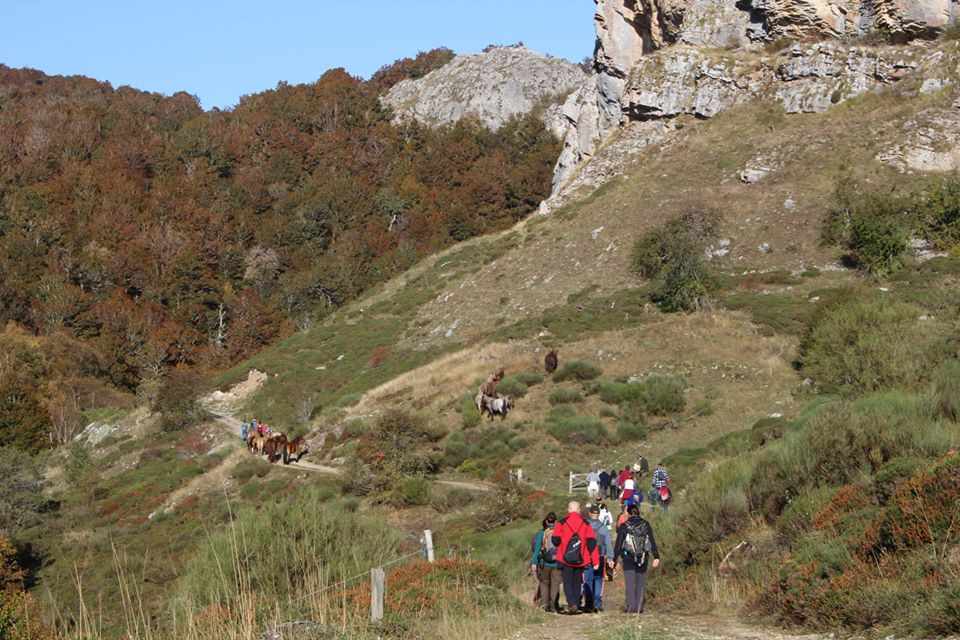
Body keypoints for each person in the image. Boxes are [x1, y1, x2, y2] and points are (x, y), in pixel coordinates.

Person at [552, 501, 599, 615]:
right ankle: (576, 604)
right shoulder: (586, 524)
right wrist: (595, 560)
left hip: (565, 557)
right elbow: (592, 543)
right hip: (580, 557)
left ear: (568, 510)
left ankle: (572, 603)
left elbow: (555, 540)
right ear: (579, 510)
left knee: (567, 582)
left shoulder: (561, 523)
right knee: (578, 582)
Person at [613, 504, 660, 614]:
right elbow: (652, 541)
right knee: (640, 583)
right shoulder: (646, 525)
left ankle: (631, 608)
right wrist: (656, 556)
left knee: (630, 584)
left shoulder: (625, 526)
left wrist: (614, 559)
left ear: (628, 513)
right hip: (643, 557)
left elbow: (619, 544)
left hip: (628, 558)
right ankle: (639, 608)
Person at [585, 505, 614, 612]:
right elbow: (608, 544)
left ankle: (588, 603)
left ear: (590, 513)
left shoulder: (585, 526)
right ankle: (597, 602)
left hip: (587, 556)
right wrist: (610, 557)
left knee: (587, 579)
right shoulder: (603, 527)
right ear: (598, 514)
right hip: (600, 556)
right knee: (598, 579)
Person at [531, 513, 562, 613]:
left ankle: (545, 605)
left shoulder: (542, 533)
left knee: (544, 584)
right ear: (556, 522)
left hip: (544, 563)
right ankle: (553, 605)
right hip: (557, 563)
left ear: (547, 522)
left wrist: (534, 562)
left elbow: (537, 549)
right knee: (555, 584)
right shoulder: (560, 531)